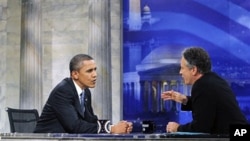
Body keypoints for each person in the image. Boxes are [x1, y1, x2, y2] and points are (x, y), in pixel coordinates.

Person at [34, 54, 133, 134]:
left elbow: (91, 121)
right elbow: (75, 126)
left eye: (95, 69)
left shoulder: (85, 91)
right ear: (75, 74)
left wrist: (114, 126)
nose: (95, 75)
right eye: (89, 71)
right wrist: (111, 129)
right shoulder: (63, 90)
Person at [161, 47, 248, 134]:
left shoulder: (202, 85)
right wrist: (185, 100)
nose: (180, 72)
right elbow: (208, 106)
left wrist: (177, 128)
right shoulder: (212, 80)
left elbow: (201, 127)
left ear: (194, 70)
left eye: (182, 68)